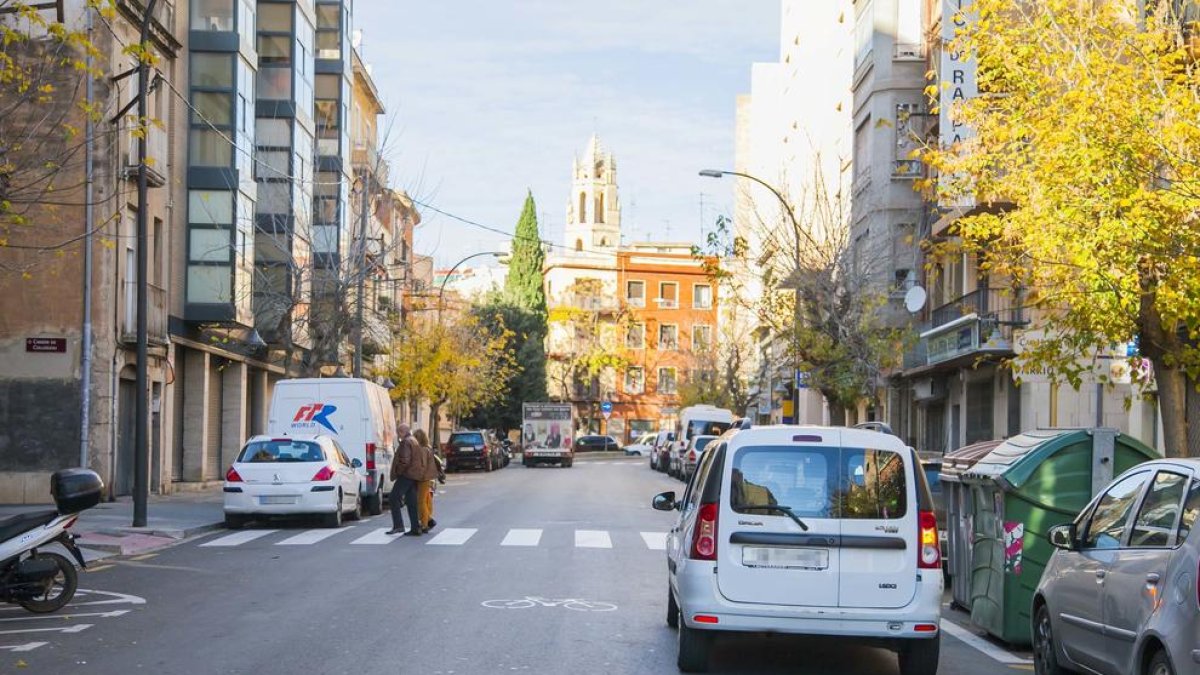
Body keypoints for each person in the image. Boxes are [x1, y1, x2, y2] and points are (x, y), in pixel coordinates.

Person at [388, 423, 427, 536]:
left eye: (398, 433)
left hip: (407, 475)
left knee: (393, 497)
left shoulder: (406, 442)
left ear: (401, 432)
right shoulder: (414, 440)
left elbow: (404, 460)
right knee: (411, 501)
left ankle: (398, 525)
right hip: (414, 475)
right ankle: (415, 527)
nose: (397, 435)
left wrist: (399, 472)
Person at [413, 428, 440, 533]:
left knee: (420, 501)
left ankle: (425, 523)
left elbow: (422, 466)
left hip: (423, 478)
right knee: (427, 499)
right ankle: (429, 519)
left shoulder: (422, 450)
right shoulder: (428, 448)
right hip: (429, 477)